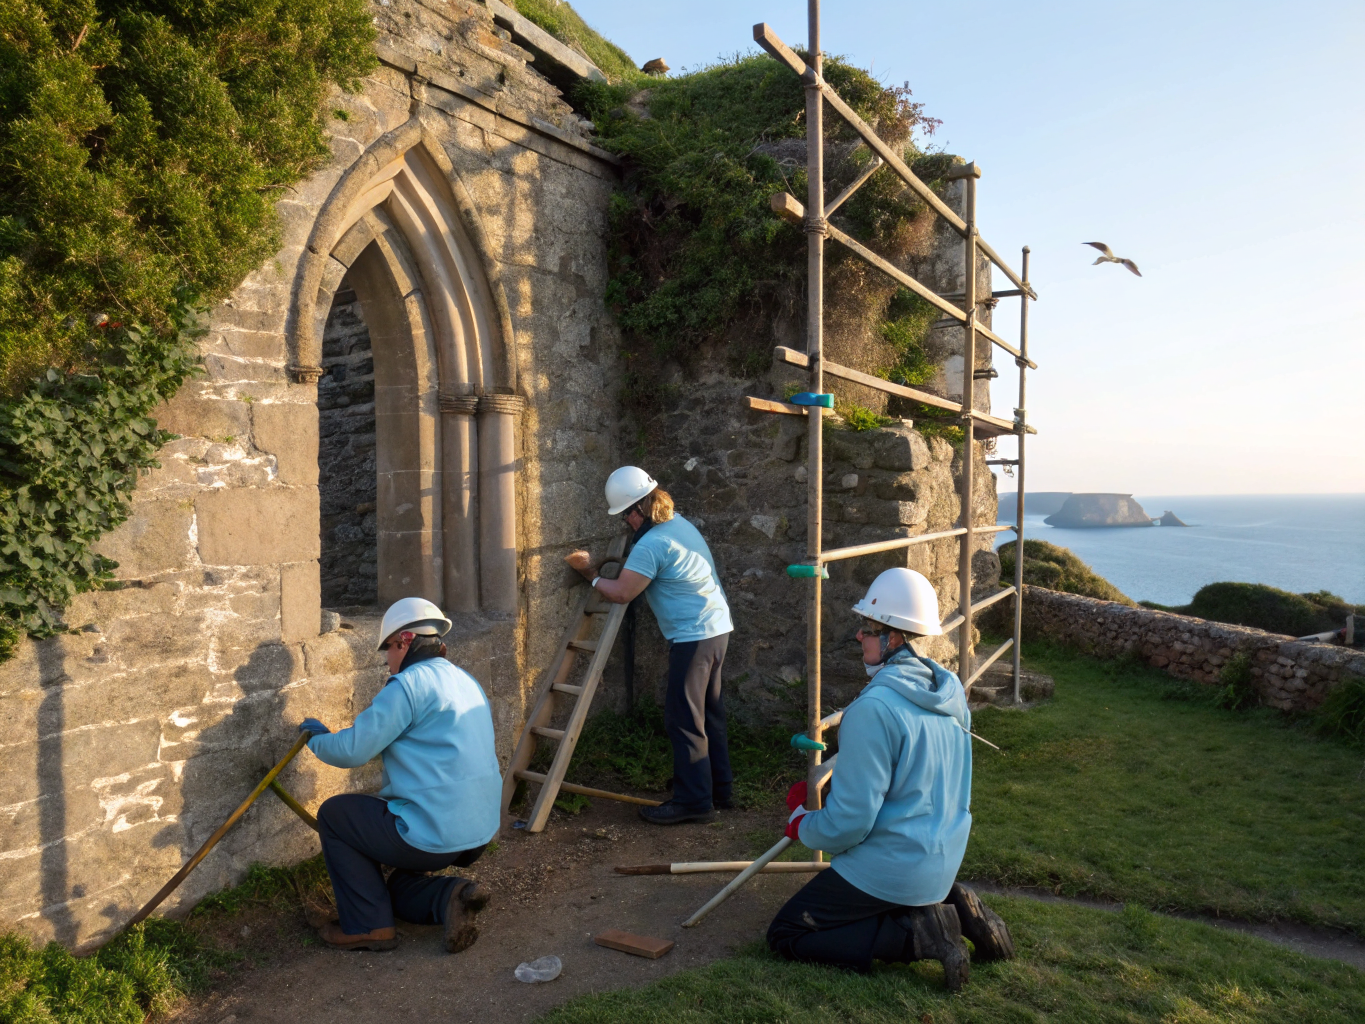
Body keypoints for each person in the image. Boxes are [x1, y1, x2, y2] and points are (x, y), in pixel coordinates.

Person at [765, 568, 1014, 989]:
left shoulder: (872, 709)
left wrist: (804, 823)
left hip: (891, 869)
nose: (859, 637)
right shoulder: (950, 690)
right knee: (873, 899)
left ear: (894, 637)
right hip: (943, 857)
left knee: (788, 933)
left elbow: (851, 823)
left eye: (868, 628)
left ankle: (918, 937)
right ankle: (953, 902)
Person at [297, 597, 502, 952]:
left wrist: (318, 740)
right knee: (397, 888)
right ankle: (452, 896)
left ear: (405, 641)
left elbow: (353, 751)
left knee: (335, 815)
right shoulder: (465, 679)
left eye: (388, 650)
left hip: (436, 833)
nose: (389, 662)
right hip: (480, 831)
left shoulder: (408, 685)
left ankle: (367, 927)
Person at [565, 466, 734, 825]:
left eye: (625, 515)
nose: (624, 523)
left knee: (684, 718)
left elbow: (622, 592)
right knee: (708, 713)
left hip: (694, 636)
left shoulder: (653, 543)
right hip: (717, 628)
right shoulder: (678, 524)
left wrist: (588, 572)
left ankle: (693, 802)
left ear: (638, 510)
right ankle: (718, 789)